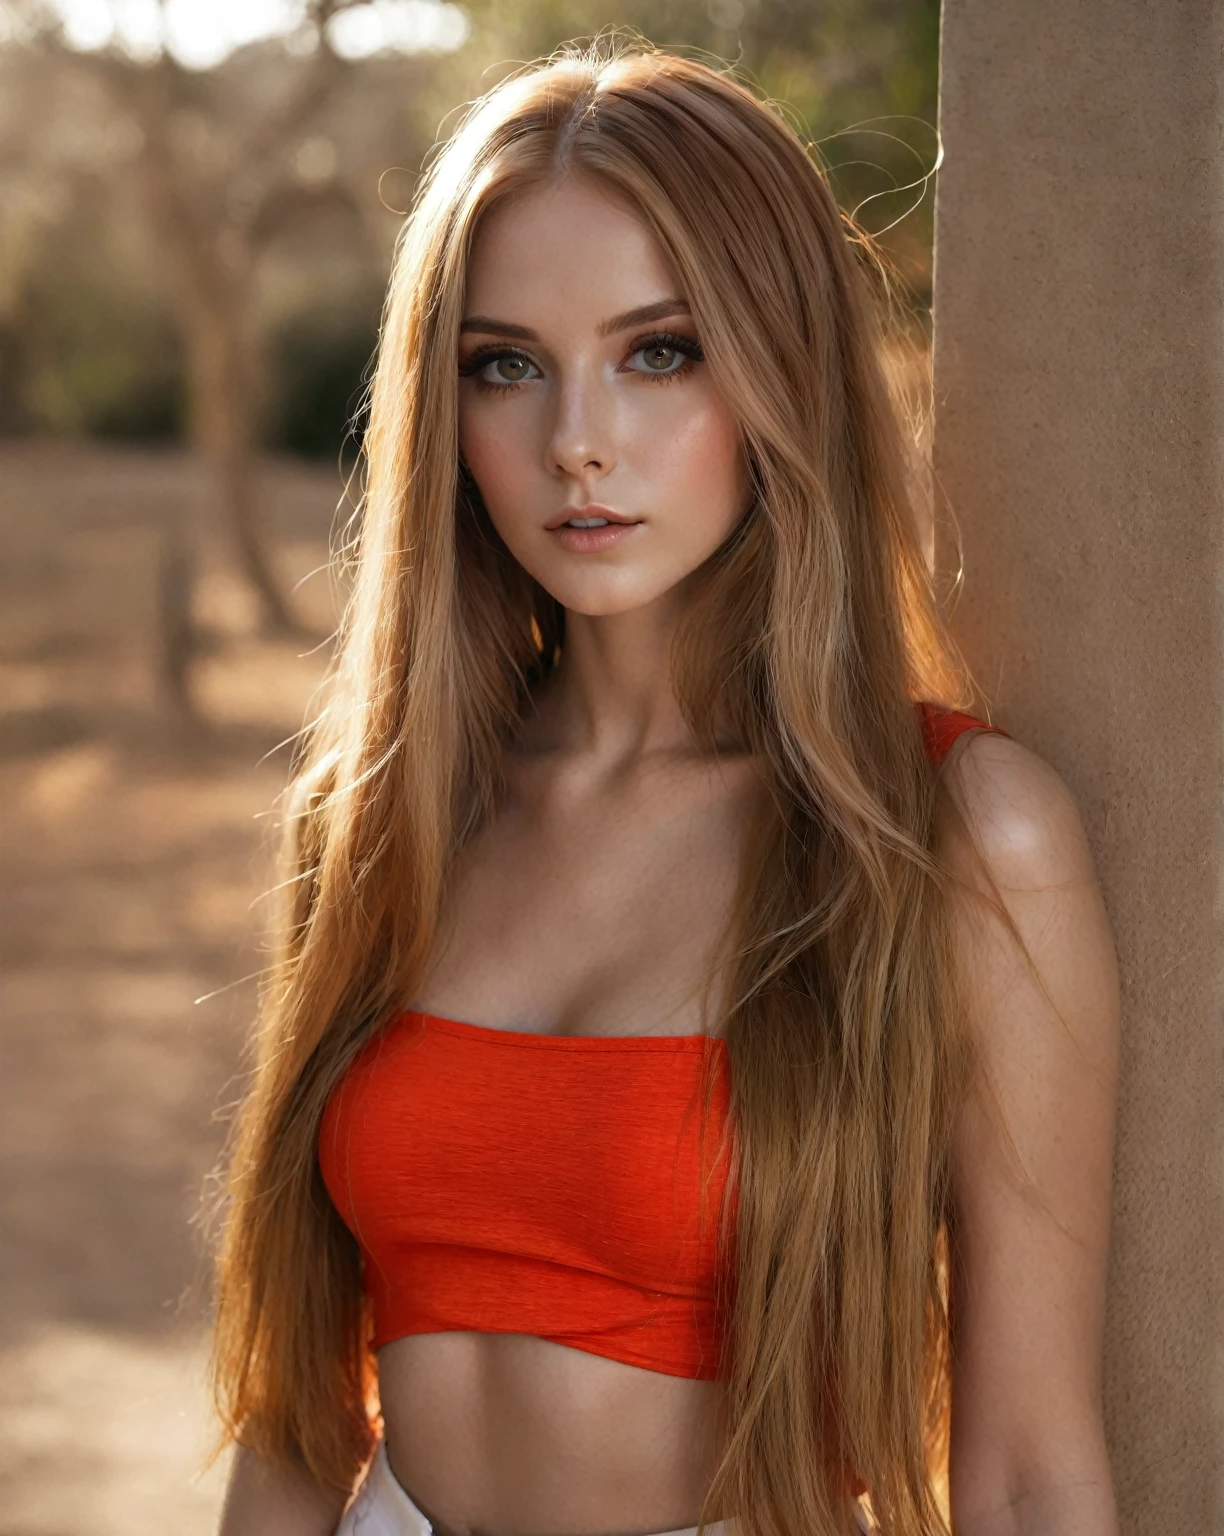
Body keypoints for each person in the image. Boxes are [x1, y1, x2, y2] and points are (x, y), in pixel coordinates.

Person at [209, 41, 1121, 1536]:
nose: (579, 440)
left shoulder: (957, 837)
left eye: (660, 350)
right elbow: (297, 1418)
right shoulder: (380, 813)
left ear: (785, 367)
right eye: (505, 363)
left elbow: (1025, 1471)